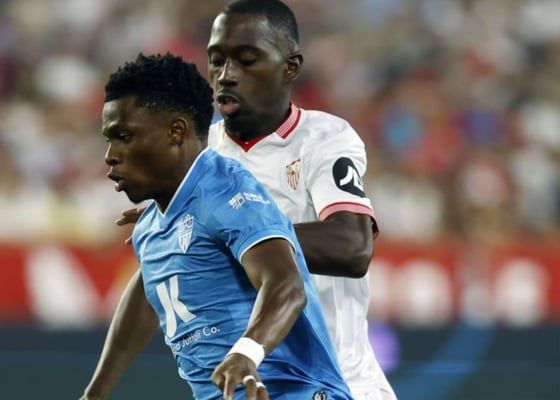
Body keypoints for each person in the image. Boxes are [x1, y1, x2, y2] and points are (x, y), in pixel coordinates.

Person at [82, 1, 398, 399]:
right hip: (249, 383)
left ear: (290, 67)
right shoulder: (196, 151)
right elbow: (158, 273)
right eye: (217, 61)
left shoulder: (323, 138)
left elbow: (353, 245)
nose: (226, 75)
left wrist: (234, 230)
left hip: (341, 380)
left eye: (247, 60)